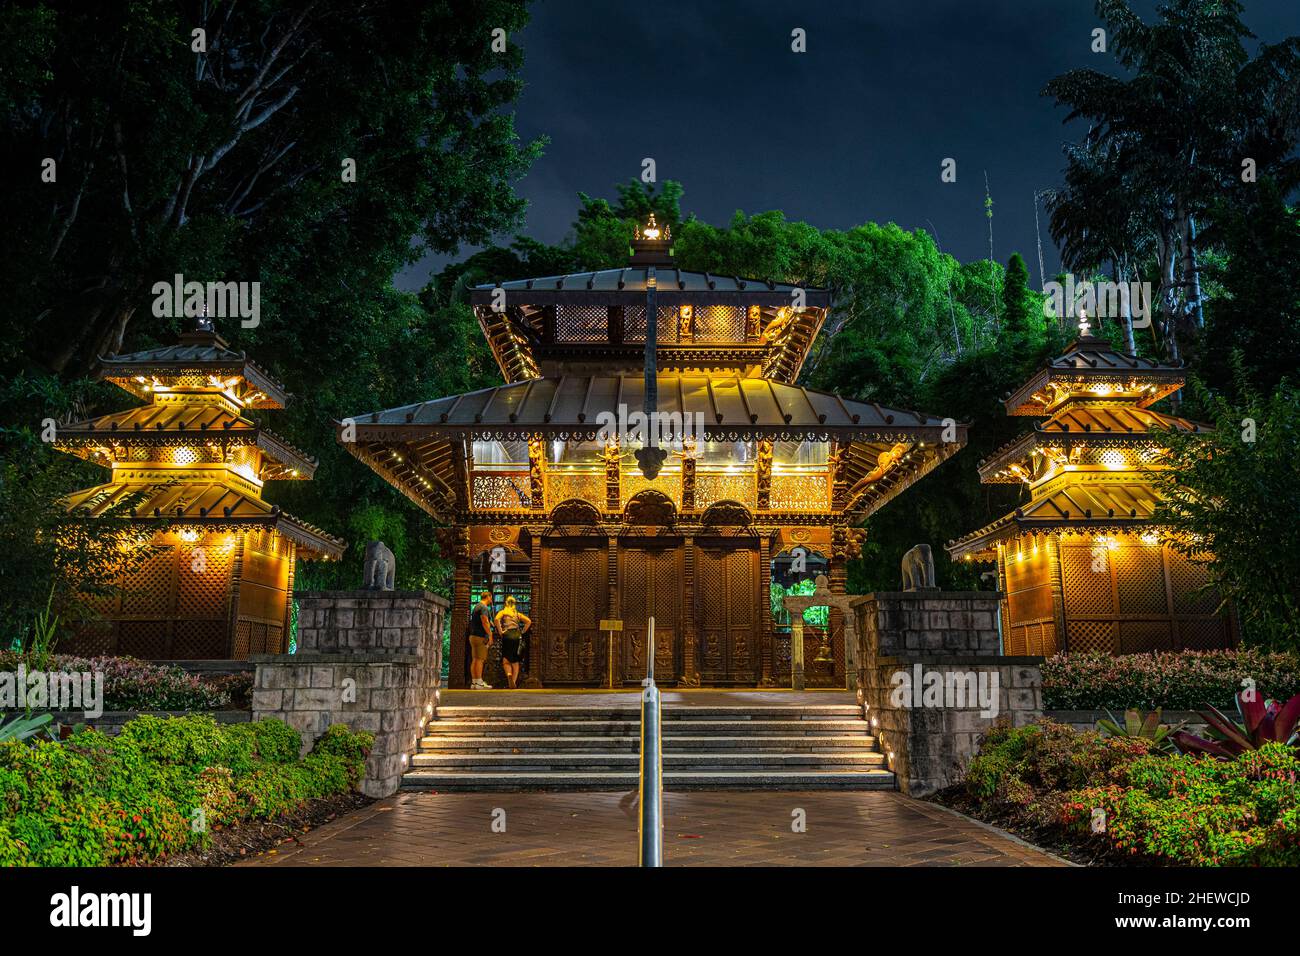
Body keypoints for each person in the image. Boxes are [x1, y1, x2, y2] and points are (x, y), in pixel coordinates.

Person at [493, 596, 532, 690]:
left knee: (506, 660)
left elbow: (496, 620)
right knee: (515, 661)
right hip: (516, 635)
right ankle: (513, 682)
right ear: (514, 604)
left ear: (506, 603)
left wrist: (500, 631)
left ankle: (509, 675)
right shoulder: (517, 614)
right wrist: (522, 631)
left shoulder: (503, 612)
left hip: (507, 635)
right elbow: (528, 621)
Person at [467, 591, 495, 689]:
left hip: (473, 636)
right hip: (480, 637)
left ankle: (474, 682)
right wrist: (490, 634)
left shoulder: (477, 606)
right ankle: (479, 682)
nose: (491, 600)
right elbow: (484, 621)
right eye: (491, 597)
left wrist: (491, 622)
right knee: (480, 660)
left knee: (475, 659)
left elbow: (485, 620)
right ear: (488, 597)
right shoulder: (484, 607)